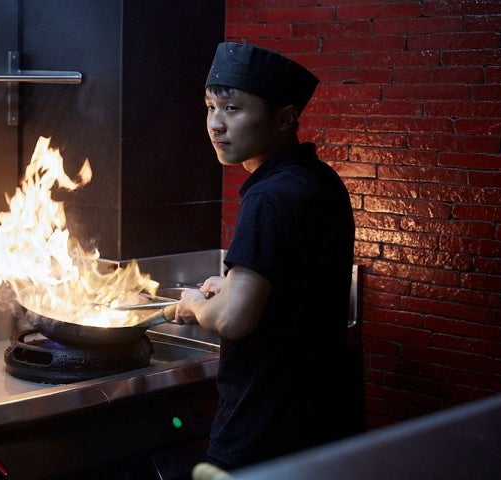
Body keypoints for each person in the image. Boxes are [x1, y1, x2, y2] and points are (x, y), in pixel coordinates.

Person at [173, 42, 359, 471]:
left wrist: (197, 305)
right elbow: (300, 282)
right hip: (320, 424)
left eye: (233, 109)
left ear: (283, 118)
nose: (216, 125)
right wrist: (235, 283)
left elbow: (235, 319)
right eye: (210, 106)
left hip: (263, 429)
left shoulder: (269, 197)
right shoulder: (318, 179)